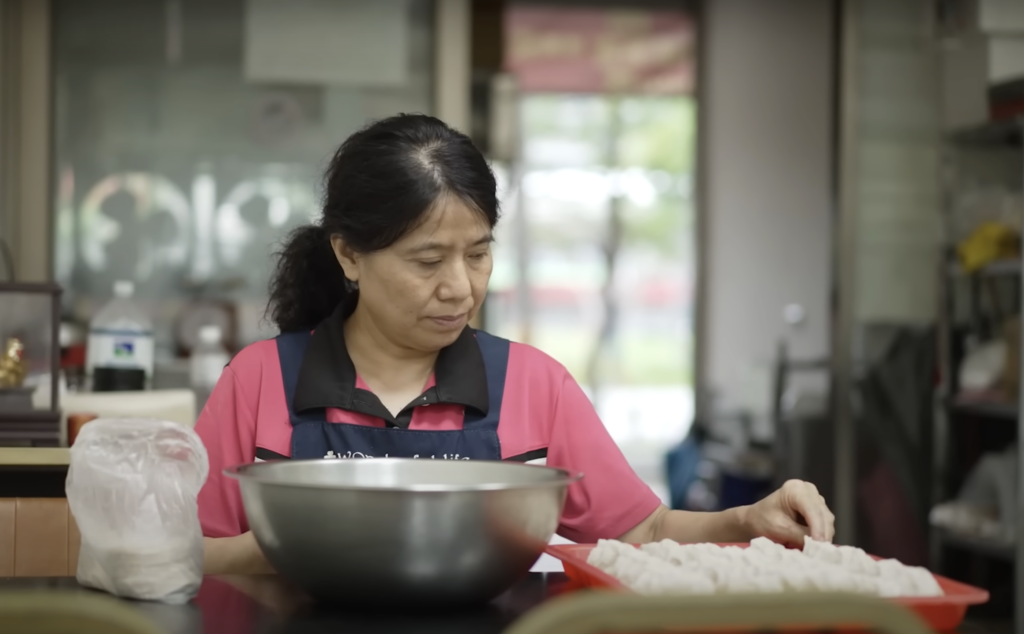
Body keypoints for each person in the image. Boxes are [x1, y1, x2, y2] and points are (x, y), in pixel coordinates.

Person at [196, 114, 835, 575]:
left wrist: (745, 521)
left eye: (478, 255)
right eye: (427, 261)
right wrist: (288, 550)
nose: (460, 288)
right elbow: (180, 554)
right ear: (348, 255)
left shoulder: (534, 385)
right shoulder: (260, 381)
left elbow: (641, 531)